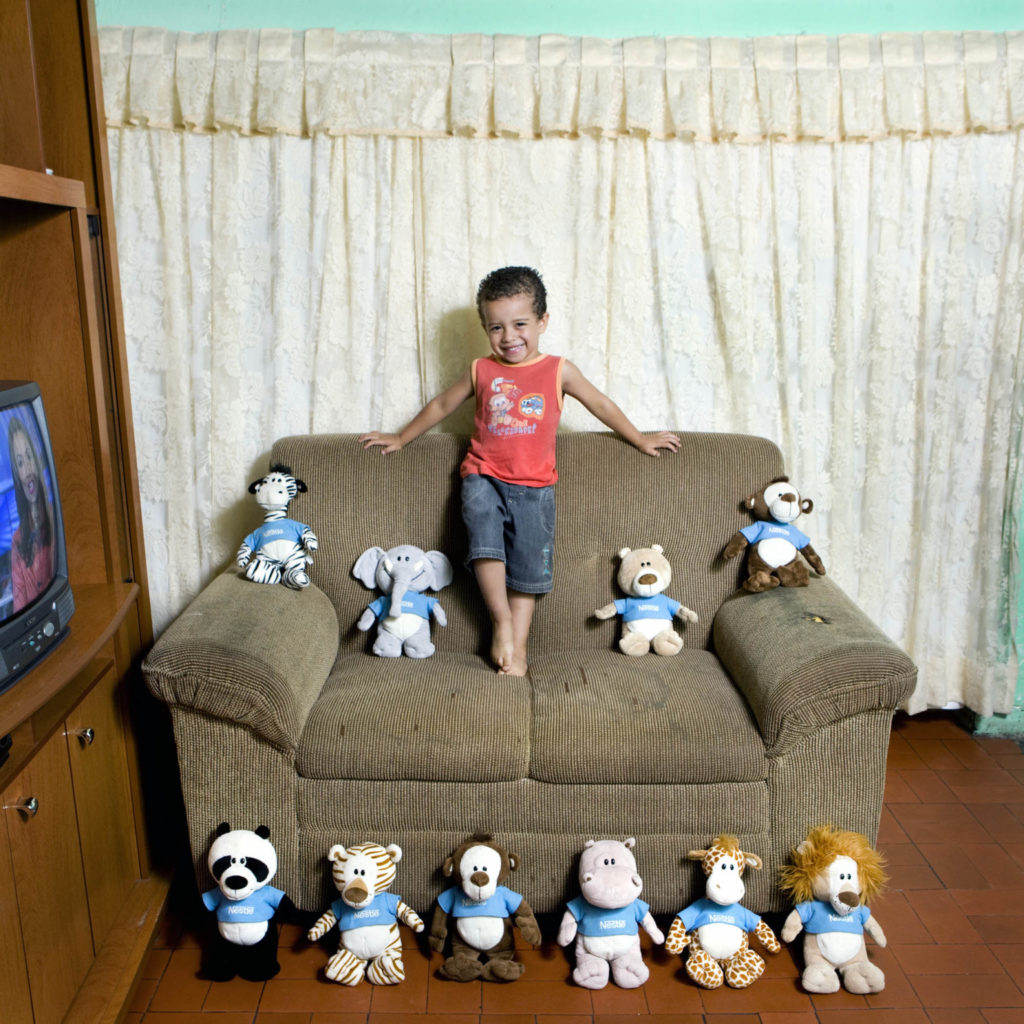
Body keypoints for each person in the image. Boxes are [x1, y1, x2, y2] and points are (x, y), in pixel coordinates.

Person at [360, 266, 679, 676]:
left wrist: (639, 438)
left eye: (520, 324)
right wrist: (401, 437)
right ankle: (501, 621)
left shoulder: (559, 370)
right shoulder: (481, 369)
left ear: (542, 321)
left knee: (528, 564)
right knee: (485, 542)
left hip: (536, 488)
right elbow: (442, 405)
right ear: (485, 328)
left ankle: (519, 646)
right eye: (496, 327)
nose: (509, 336)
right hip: (483, 477)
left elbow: (600, 404)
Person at [8, 416, 55, 611]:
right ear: (17, 477)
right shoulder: (17, 543)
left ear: (36, 460)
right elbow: (19, 608)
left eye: (29, 457)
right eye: (20, 463)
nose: (27, 470)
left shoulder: (54, 519)